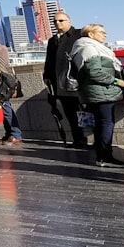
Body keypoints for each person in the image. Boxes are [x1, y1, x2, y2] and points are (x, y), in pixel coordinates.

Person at [71, 24, 124, 168]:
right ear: (90, 34)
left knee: (101, 123)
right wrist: (116, 80)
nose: (105, 35)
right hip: (101, 92)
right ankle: (105, 156)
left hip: (96, 92)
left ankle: (102, 156)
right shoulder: (90, 48)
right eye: (101, 32)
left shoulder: (82, 47)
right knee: (106, 123)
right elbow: (94, 72)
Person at [43, 11, 86, 149]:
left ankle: (96, 138)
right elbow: (49, 60)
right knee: (70, 113)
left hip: (77, 82)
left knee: (85, 111)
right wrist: (47, 76)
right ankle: (78, 139)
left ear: (69, 21)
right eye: (55, 21)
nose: (58, 23)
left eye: (61, 20)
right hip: (60, 83)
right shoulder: (52, 40)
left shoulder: (79, 34)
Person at [0, 31, 23, 145]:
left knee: (6, 108)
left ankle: (16, 134)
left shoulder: (0, 48)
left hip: (2, 83)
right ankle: (9, 134)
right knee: (4, 108)